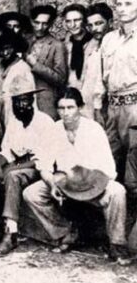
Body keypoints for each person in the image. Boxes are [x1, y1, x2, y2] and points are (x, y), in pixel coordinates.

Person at [23, 88, 131, 265]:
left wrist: (89, 185)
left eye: (70, 107)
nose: (65, 113)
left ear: (80, 108)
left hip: (92, 182)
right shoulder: (53, 130)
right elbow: (44, 166)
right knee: (32, 194)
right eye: (61, 108)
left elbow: (108, 169)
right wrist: (52, 185)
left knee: (117, 191)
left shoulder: (93, 129)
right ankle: (66, 233)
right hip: (65, 182)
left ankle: (117, 244)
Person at [0, 82, 53, 256]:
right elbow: (7, 149)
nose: (20, 105)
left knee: (13, 176)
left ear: (32, 101)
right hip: (14, 164)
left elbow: (42, 160)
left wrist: (11, 169)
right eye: (16, 101)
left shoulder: (45, 122)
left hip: (36, 168)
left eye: (24, 100)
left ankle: (11, 234)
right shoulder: (14, 121)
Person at [101, 0, 137, 193]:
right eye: (119, 4)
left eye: (128, 4)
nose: (122, 9)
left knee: (134, 161)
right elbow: (101, 75)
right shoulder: (109, 39)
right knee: (109, 159)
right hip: (112, 107)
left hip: (134, 108)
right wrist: (98, 105)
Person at [25, 5, 68, 119]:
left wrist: (36, 65)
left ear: (50, 24)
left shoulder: (57, 45)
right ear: (31, 21)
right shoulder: (25, 42)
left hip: (46, 103)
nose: (40, 27)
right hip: (25, 100)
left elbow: (60, 79)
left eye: (45, 24)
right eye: (36, 23)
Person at [0, 30, 36, 128]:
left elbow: (31, 97)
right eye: (1, 49)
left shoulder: (23, 68)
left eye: (8, 48)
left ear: (15, 48)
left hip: (15, 115)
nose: (5, 52)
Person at [62, 4, 101, 120]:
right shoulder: (65, 45)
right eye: (68, 21)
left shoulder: (96, 43)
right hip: (71, 99)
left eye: (77, 20)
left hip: (91, 99)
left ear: (84, 21)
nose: (73, 25)